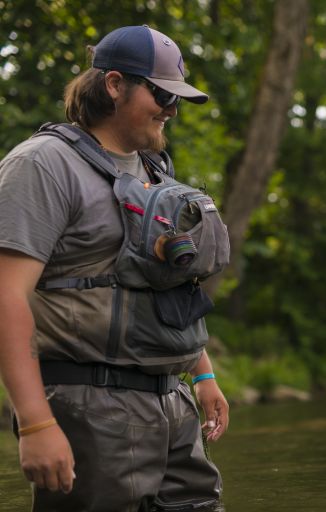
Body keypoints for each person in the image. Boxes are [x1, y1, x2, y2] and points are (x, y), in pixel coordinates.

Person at [0, 25, 229, 510]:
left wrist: (202, 376)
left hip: (173, 406)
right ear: (114, 84)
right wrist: (36, 423)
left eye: (177, 98)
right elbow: (6, 295)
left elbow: (162, 286)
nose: (172, 109)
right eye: (162, 94)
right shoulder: (43, 165)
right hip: (90, 408)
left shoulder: (154, 169)